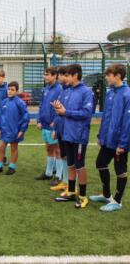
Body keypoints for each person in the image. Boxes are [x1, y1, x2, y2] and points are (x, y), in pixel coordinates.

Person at [90, 64, 130, 212]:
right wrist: (101, 135)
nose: (106, 77)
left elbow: (128, 122)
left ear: (118, 76)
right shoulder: (111, 92)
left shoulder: (127, 94)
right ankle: (106, 195)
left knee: (120, 169)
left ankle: (117, 201)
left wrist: (123, 144)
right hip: (108, 138)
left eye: (109, 75)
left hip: (120, 141)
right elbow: (106, 117)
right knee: (100, 163)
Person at [53, 64, 93, 209]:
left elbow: (86, 113)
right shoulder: (68, 91)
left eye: (68, 75)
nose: (65, 78)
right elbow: (63, 111)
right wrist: (58, 109)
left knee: (79, 166)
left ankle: (82, 196)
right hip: (67, 134)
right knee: (70, 164)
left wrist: (65, 112)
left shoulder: (86, 92)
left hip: (79, 136)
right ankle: (71, 191)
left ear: (75, 75)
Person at [0, 81, 29, 175]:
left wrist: (22, 130)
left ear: (17, 91)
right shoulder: (4, 102)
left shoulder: (20, 103)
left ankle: (12, 167)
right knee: (0, 147)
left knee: (14, 148)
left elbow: (26, 117)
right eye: (9, 89)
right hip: (4, 130)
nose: (10, 91)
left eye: (12, 90)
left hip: (15, 131)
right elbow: (0, 116)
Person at [35, 67, 62, 182]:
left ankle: (59, 176)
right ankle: (48, 173)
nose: (44, 76)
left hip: (53, 125)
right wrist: (38, 120)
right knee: (49, 148)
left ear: (54, 75)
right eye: (44, 74)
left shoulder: (59, 89)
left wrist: (55, 121)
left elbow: (60, 106)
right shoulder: (46, 89)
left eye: (47, 74)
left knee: (58, 150)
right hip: (44, 125)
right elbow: (41, 105)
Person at [50, 66, 70, 191]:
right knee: (63, 155)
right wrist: (56, 129)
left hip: (71, 131)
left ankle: (70, 184)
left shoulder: (77, 91)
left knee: (71, 159)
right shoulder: (63, 91)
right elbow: (59, 112)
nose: (58, 78)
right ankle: (65, 181)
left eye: (60, 76)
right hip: (61, 129)